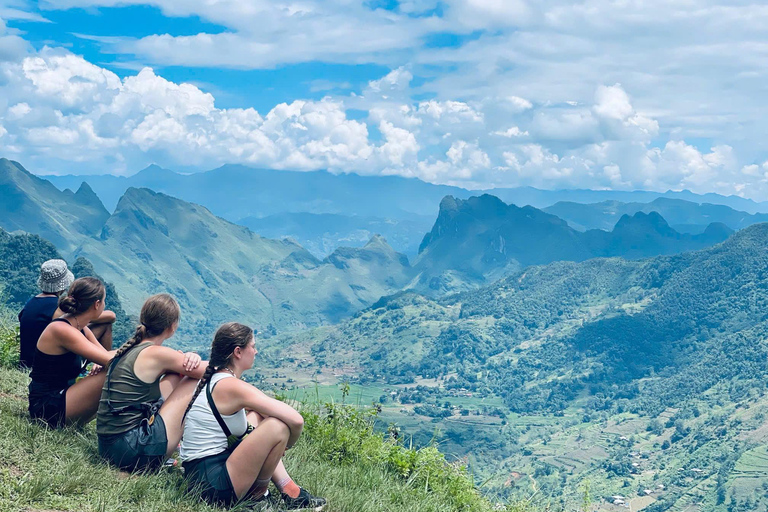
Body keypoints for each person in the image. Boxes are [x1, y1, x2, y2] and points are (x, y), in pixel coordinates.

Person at [180, 322, 326, 510]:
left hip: (198, 476)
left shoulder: (216, 379)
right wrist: (284, 445)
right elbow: (296, 420)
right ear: (238, 352)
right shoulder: (231, 386)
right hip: (211, 485)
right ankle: (258, 498)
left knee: (259, 416)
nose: (256, 352)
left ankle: (289, 490)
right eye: (253, 346)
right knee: (278, 427)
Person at [97, 293, 206, 472]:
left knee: (176, 375)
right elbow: (209, 371)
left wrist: (181, 362)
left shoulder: (132, 348)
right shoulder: (156, 353)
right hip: (132, 451)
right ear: (172, 327)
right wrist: (192, 358)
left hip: (109, 448)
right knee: (191, 380)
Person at [28, 277, 116, 428]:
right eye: (104, 301)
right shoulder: (62, 329)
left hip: (63, 395)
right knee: (112, 374)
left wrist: (99, 361)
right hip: (45, 407)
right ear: (96, 304)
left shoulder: (79, 327)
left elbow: (105, 356)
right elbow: (112, 361)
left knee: (112, 369)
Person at [18, 259, 115, 369]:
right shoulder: (60, 309)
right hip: (44, 363)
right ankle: (103, 367)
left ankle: (101, 361)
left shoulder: (31, 302)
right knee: (106, 325)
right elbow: (111, 316)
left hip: (26, 361)